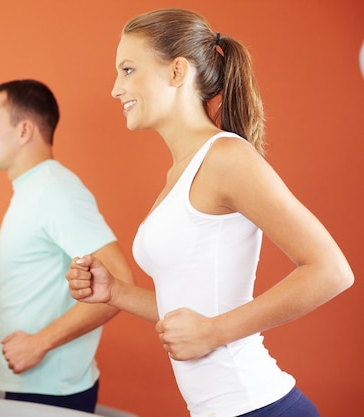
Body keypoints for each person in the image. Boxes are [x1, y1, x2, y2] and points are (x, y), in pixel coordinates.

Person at [66, 8, 354, 417]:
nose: (116, 88)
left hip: (257, 407)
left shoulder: (227, 157)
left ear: (177, 71)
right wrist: (115, 292)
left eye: (128, 69)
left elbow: (332, 270)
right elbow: (192, 306)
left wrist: (215, 332)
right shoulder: (181, 172)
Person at [0, 79, 134, 413]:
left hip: (53, 390)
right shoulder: (31, 192)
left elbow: (120, 284)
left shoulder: (55, 190)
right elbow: (30, 301)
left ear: (24, 131)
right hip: (32, 384)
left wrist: (40, 343)